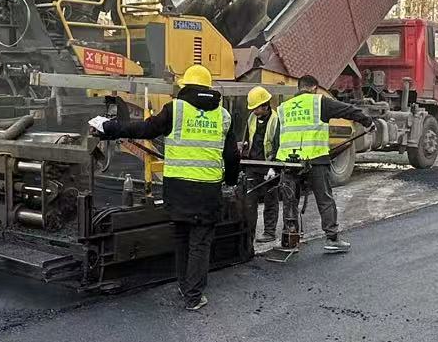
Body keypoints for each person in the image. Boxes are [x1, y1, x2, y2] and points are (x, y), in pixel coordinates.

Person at [90, 63, 239, 310]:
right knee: (200, 243)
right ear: (209, 88)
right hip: (207, 191)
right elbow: (232, 156)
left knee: (181, 238)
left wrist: (108, 127)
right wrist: (231, 181)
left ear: (185, 86)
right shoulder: (223, 116)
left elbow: (145, 129)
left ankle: (184, 286)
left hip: (177, 189)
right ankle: (193, 296)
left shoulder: (175, 109)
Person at [269, 74, 375, 254]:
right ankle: (332, 239)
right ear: (314, 88)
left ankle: (289, 240)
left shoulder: (284, 107)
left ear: (299, 88)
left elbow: (277, 138)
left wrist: (275, 163)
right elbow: (347, 110)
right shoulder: (319, 102)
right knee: (324, 199)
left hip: (289, 162)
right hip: (315, 160)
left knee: (290, 200)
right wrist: (367, 121)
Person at [238, 85, 280, 245]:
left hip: (268, 165)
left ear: (265, 106)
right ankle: (249, 233)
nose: (254, 111)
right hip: (252, 164)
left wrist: (274, 167)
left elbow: (278, 144)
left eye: (256, 108)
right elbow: (247, 139)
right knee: (249, 202)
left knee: (270, 200)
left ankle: (269, 232)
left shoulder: (276, 120)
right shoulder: (252, 118)